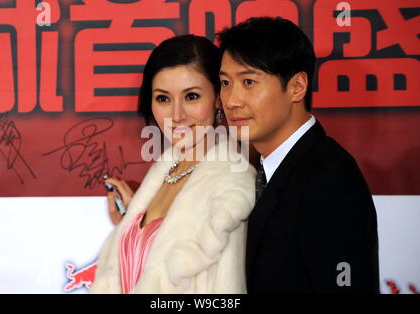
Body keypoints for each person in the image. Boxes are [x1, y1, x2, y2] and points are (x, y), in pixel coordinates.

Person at [217, 17, 380, 293]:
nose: (232, 101)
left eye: (248, 82)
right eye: (225, 83)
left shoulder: (329, 179)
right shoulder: (268, 169)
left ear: (297, 87)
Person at [90, 35, 256, 294]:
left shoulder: (231, 188)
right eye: (163, 99)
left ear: (217, 97)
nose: (177, 115)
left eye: (191, 96)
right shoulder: (163, 172)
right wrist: (131, 223)